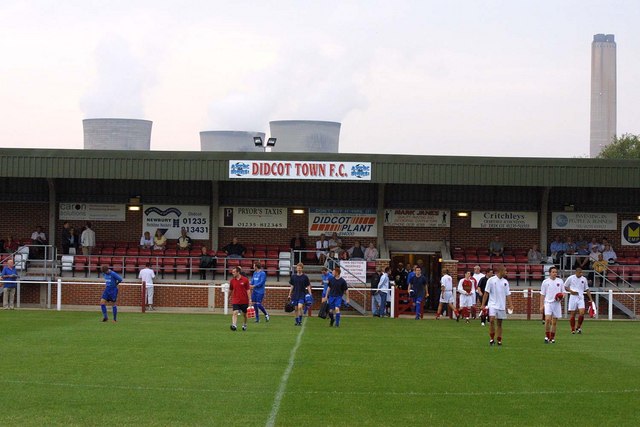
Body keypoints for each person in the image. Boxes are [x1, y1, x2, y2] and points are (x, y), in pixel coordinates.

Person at [480, 264, 513, 346]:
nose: (506, 272)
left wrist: (510, 305)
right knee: (491, 320)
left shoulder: (505, 282)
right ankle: (491, 339)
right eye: (505, 270)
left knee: (499, 323)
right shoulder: (491, 280)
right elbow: (486, 293)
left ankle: (499, 340)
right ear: (500, 271)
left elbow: (508, 294)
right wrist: (483, 304)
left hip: (501, 305)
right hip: (492, 304)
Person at [564, 267, 594, 334]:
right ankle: (572, 329)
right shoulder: (571, 278)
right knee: (573, 314)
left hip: (580, 297)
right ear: (576, 272)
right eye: (579, 272)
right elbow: (565, 286)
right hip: (573, 297)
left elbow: (587, 289)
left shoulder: (584, 279)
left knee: (582, 312)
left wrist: (591, 299)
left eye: (581, 272)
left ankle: (578, 327)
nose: (581, 274)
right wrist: (571, 291)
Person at [540, 266, 564, 344]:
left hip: (556, 304)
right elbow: (542, 294)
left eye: (556, 272)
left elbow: (563, 293)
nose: (554, 273)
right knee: (547, 320)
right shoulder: (545, 282)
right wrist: (541, 305)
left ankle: (552, 338)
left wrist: (560, 297)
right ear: (550, 273)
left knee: (554, 322)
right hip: (548, 303)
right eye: (553, 272)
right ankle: (547, 336)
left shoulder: (560, 281)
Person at [229, 266, 251, 331]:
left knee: (244, 314)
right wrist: (228, 297)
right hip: (235, 300)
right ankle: (234, 325)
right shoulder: (232, 281)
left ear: (238, 272)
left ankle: (244, 324)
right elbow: (230, 289)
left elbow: (248, 290)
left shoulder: (245, 280)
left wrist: (250, 299)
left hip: (244, 300)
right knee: (235, 312)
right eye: (232, 272)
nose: (232, 273)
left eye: (234, 272)